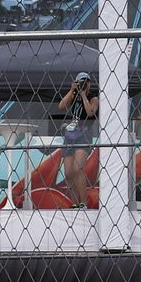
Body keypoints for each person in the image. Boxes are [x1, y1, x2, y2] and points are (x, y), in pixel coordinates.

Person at [54, 71, 100, 208]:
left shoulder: (93, 98)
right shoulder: (73, 96)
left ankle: (83, 202)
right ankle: (74, 203)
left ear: (89, 84)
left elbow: (90, 112)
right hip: (70, 134)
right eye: (80, 82)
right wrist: (72, 90)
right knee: (68, 172)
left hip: (84, 134)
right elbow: (61, 106)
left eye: (85, 82)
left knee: (78, 168)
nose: (83, 85)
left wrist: (83, 95)